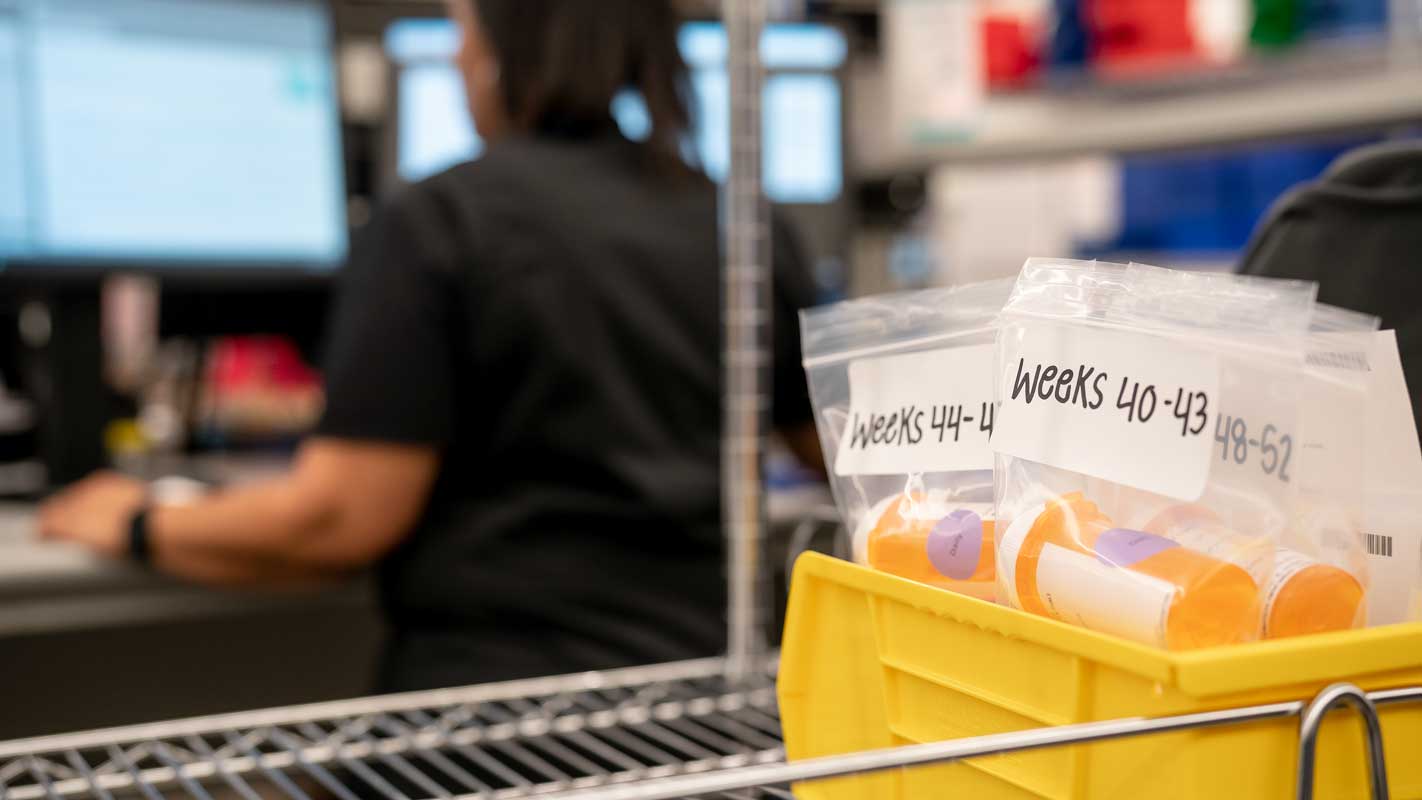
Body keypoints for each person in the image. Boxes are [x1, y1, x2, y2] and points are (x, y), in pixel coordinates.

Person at [38, 0, 821, 691]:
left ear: (499, 47)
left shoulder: (442, 219)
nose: (456, 56)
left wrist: (139, 522)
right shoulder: (740, 219)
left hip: (498, 712)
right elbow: (830, 450)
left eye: (461, 28)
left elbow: (338, 522)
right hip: (708, 705)